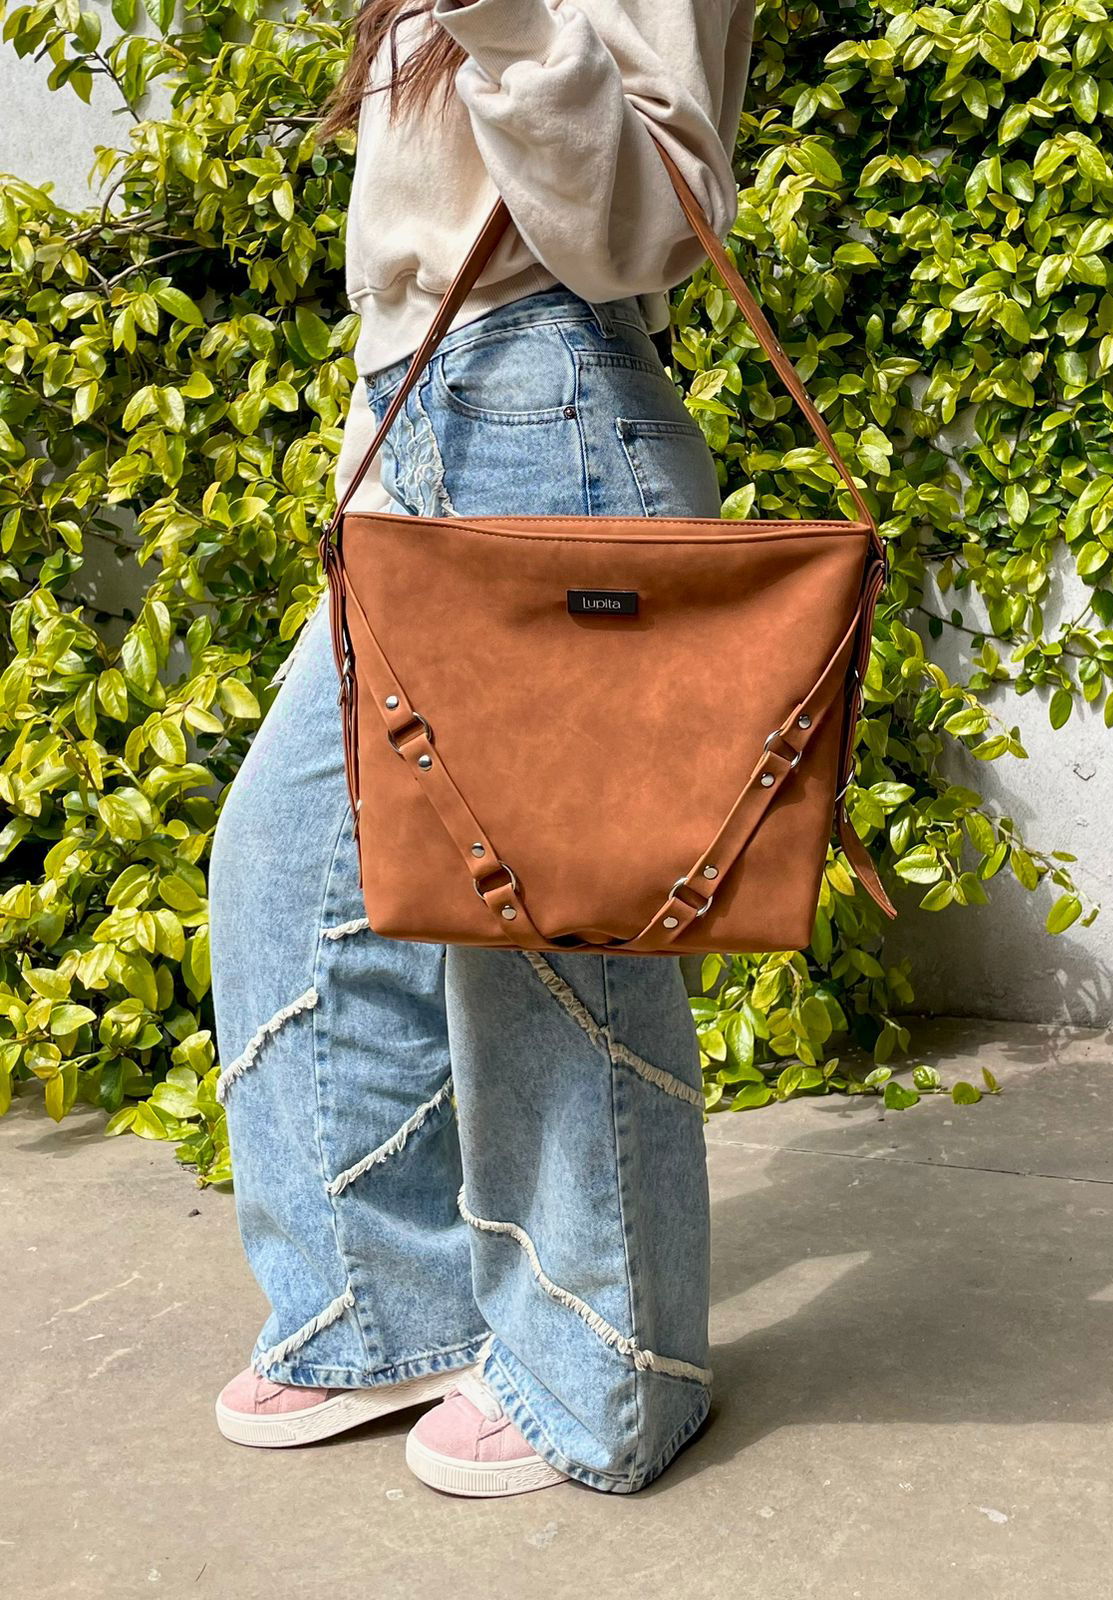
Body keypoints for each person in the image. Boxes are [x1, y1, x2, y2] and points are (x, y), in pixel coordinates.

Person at [209, 0, 755, 1497]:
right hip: (414, 422)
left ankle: (608, 1371)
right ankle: (388, 1312)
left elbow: (649, 226)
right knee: (292, 874)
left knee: (554, 941)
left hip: (548, 415)